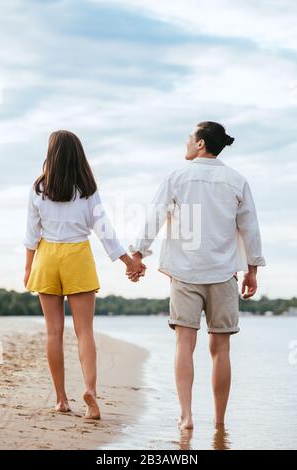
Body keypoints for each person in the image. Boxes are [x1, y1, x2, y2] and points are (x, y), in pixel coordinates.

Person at [128, 121, 266, 429]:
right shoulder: (237, 180)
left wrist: (138, 253)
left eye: (190, 137)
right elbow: (250, 228)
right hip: (223, 274)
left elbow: (155, 215)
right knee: (221, 349)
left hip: (185, 272)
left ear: (201, 143)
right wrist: (252, 270)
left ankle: (186, 416)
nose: (187, 142)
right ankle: (219, 422)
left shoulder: (177, 177)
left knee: (183, 345)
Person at [23, 130, 146, 419]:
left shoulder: (39, 189)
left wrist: (28, 268)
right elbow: (105, 232)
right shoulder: (87, 189)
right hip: (77, 256)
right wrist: (128, 262)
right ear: (79, 155)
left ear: (51, 154)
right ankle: (90, 390)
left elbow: (31, 234)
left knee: (53, 332)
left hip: (47, 257)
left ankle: (61, 399)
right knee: (84, 332)